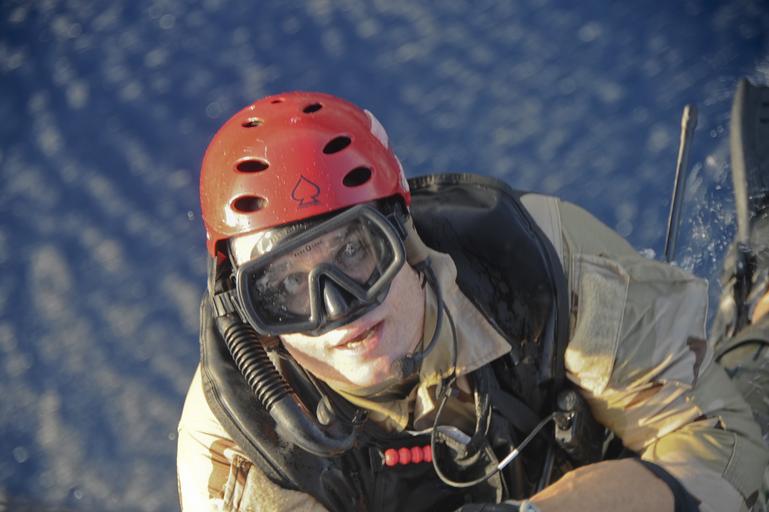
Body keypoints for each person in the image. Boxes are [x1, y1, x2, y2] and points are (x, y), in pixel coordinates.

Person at [177, 91, 768, 511]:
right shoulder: (240, 440)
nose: (338, 311)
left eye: (355, 251)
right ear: (243, 305)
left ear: (402, 229)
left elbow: (727, 453)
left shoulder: (537, 262)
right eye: (286, 287)